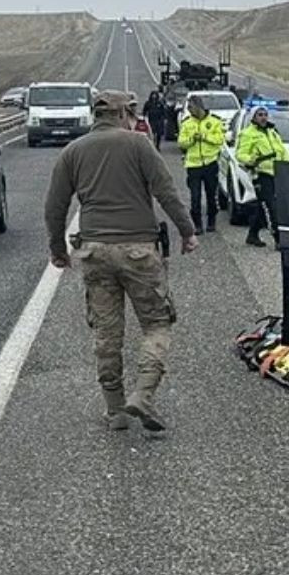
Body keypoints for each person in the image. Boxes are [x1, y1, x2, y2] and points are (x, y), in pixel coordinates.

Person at [43, 90, 198, 432]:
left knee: (107, 331)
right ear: (123, 113)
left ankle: (115, 410)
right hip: (139, 250)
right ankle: (143, 395)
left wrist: (57, 248)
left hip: (94, 251)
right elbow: (166, 191)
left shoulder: (73, 151)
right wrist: (187, 231)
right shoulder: (139, 144)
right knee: (156, 323)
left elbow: (55, 207)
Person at [235, 104, 289, 247]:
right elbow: (240, 154)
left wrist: (288, 166)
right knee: (271, 207)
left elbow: (282, 151)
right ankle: (278, 239)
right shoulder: (248, 134)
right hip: (261, 174)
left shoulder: (272, 132)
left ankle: (252, 235)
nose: (263, 117)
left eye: (265, 114)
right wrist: (251, 160)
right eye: (259, 115)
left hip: (277, 173)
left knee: (261, 207)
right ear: (253, 117)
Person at [177, 96, 225, 234]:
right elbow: (181, 142)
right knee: (195, 196)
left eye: (191, 107)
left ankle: (211, 221)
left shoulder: (214, 121)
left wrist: (204, 137)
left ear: (199, 106)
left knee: (211, 195)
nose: (189, 110)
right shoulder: (187, 123)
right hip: (193, 164)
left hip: (210, 163)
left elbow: (219, 140)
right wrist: (192, 139)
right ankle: (197, 224)